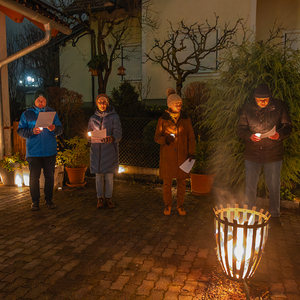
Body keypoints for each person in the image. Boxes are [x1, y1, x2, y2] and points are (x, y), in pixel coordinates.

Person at [237, 83, 293, 225]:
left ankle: (275, 215)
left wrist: (278, 135)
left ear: (270, 97)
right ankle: (250, 215)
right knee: (250, 186)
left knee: (274, 186)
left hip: (273, 154)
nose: (263, 102)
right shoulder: (247, 108)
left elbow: (288, 127)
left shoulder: (279, 107)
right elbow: (241, 129)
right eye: (259, 100)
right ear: (254, 98)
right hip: (252, 154)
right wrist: (250, 136)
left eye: (266, 99)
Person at [17, 89, 63, 211]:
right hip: (34, 152)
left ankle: (49, 200)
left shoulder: (52, 113)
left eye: (43, 100)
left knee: (50, 177)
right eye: (38, 100)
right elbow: (20, 131)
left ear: (46, 101)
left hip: (49, 151)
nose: (41, 102)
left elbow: (60, 130)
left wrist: (54, 128)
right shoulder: (27, 114)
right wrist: (32, 131)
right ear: (35, 100)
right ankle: (35, 201)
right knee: (34, 178)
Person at [155, 88, 196, 216]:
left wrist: (191, 153)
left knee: (182, 182)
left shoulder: (186, 119)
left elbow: (191, 137)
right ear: (170, 105)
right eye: (176, 104)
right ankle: (167, 205)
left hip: (182, 156)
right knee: (167, 182)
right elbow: (157, 137)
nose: (179, 106)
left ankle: (180, 205)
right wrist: (166, 139)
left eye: (180, 104)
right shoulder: (163, 119)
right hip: (168, 157)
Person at [88, 94, 122, 209]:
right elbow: (89, 132)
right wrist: (89, 137)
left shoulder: (114, 117)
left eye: (104, 102)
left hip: (109, 151)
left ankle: (108, 198)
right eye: (100, 102)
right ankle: (99, 198)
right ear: (97, 103)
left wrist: (112, 138)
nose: (102, 104)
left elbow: (118, 133)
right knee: (98, 176)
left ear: (107, 103)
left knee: (109, 176)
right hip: (96, 151)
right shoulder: (93, 118)